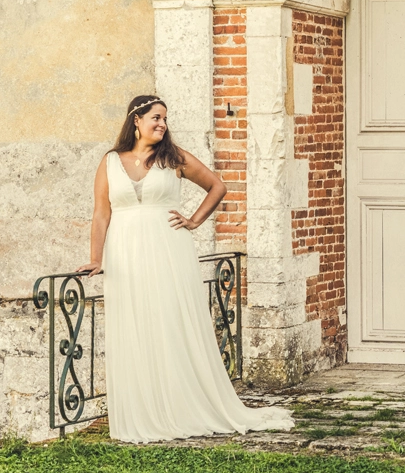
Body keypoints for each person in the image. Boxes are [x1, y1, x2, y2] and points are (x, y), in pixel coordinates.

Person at [77, 95, 295, 443]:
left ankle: (179, 405)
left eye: (165, 119)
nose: (162, 124)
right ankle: (144, 409)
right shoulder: (110, 161)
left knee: (169, 319)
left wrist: (194, 221)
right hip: (125, 252)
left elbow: (217, 186)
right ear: (136, 120)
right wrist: (97, 258)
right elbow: (102, 213)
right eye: (155, 118)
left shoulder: (173, 158)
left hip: (168, 249)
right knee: (136, 323)